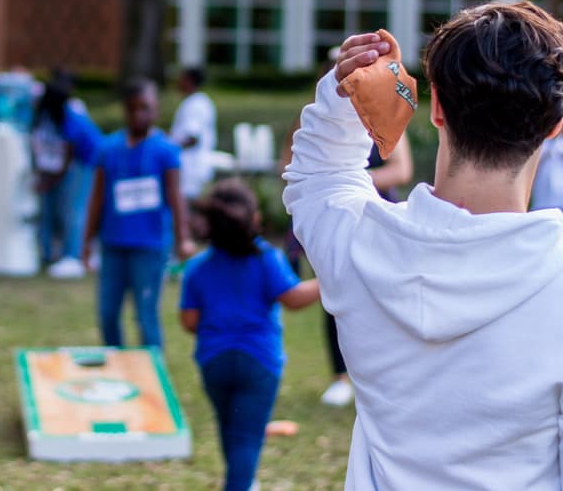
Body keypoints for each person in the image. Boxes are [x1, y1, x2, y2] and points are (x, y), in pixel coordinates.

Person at [283, 1, 563, 489]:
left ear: (436, 107)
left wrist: (346, 95)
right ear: (555, 124)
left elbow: (318, 176)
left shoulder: (361, 254)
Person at [179, 179, 321, 491]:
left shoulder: (198, 268)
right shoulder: (266, 258)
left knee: (230, 429)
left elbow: (189, 321)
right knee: (247, 436)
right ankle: (241, 484)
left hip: (214, 361)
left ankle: (243, 481)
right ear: (252, 219)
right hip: (259, 362)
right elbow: (294, 298)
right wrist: (327, 280)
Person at [280, 108, 414, 409]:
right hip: (334, 216)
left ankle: (385, 375)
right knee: (336, 290)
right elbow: (288, 161)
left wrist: (345, 178)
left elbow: (401, 169)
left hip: (378, 214)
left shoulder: (385, 113)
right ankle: (340, 376)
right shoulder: (313, 116)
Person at [83, 80, 195, 348]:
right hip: (113, 244)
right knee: (107, 313)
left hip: (149, 245)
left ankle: (153, 372)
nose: (138, 115)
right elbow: (97, 197)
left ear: (155, 110)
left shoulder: (165, 150)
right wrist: (87, 240)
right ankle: (116, 367)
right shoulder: (108, 148)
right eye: (132, 109)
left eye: (144, 108)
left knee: (146, 316)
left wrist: (183, 239)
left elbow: (175, 197)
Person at [31, 71, 105, 278]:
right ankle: (50, 253)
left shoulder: (70, 119)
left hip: (88, 162)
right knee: (60, 207)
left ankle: (74, 257)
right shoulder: (50, 116)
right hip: (72, 163)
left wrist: (49, 180)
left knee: (75, 209)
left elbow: (67, 159)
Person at [170, 67, 217, 201]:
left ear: (188, 81)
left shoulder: (195, 104)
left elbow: (192, 139)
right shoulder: (200, 102)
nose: (178, 82)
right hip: (194, 168)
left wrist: (168, 146)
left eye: (181, 78)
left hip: (191, 169)